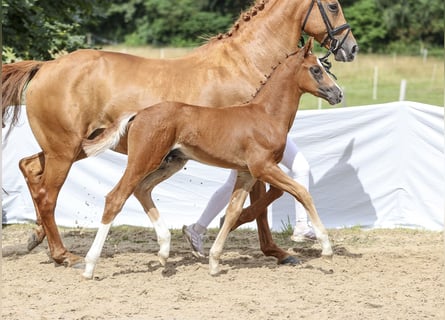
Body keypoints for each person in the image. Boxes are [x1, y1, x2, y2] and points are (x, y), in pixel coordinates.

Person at [182, 136, 316, 258]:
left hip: (264, 130)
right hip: (258, 132)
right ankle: (301, 224)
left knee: (233, 184)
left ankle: (197, 229)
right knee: (300, 168)